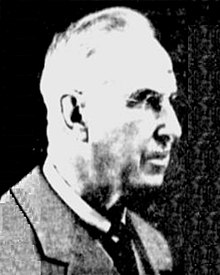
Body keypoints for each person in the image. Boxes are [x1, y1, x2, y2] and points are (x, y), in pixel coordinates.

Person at [0, 6, 182, 275]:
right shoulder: (6, 247)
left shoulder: (155, 249)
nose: (173, 128)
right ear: (75, 114)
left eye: (170, 101)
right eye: (148, 100)